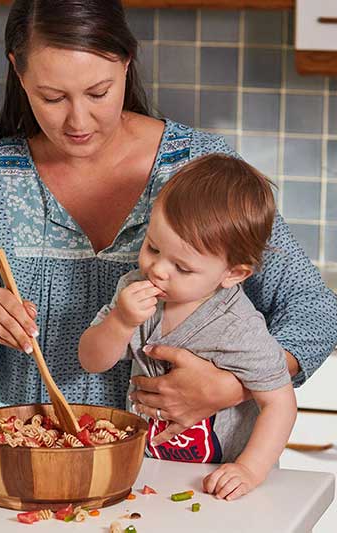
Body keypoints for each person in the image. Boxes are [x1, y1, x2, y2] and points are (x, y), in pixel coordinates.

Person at [0, 0, 337, 447]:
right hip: (34, 473)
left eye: (98, 92)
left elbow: (312, 311)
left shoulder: (199, 167)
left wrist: (230, 386)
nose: (78, 120)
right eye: (52, 97)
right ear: (18, 73)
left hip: (180, 477)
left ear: (127, 62)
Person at [79, 154, 296, 500]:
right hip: (150, 473)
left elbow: (280, 404)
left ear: (233, 273)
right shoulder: (134, 290)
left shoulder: (237, 327)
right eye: (152, 247)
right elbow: (92, 360)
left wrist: (249, 470)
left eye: (182, 267)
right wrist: (120, 322)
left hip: (219, 483)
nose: (158, 270)